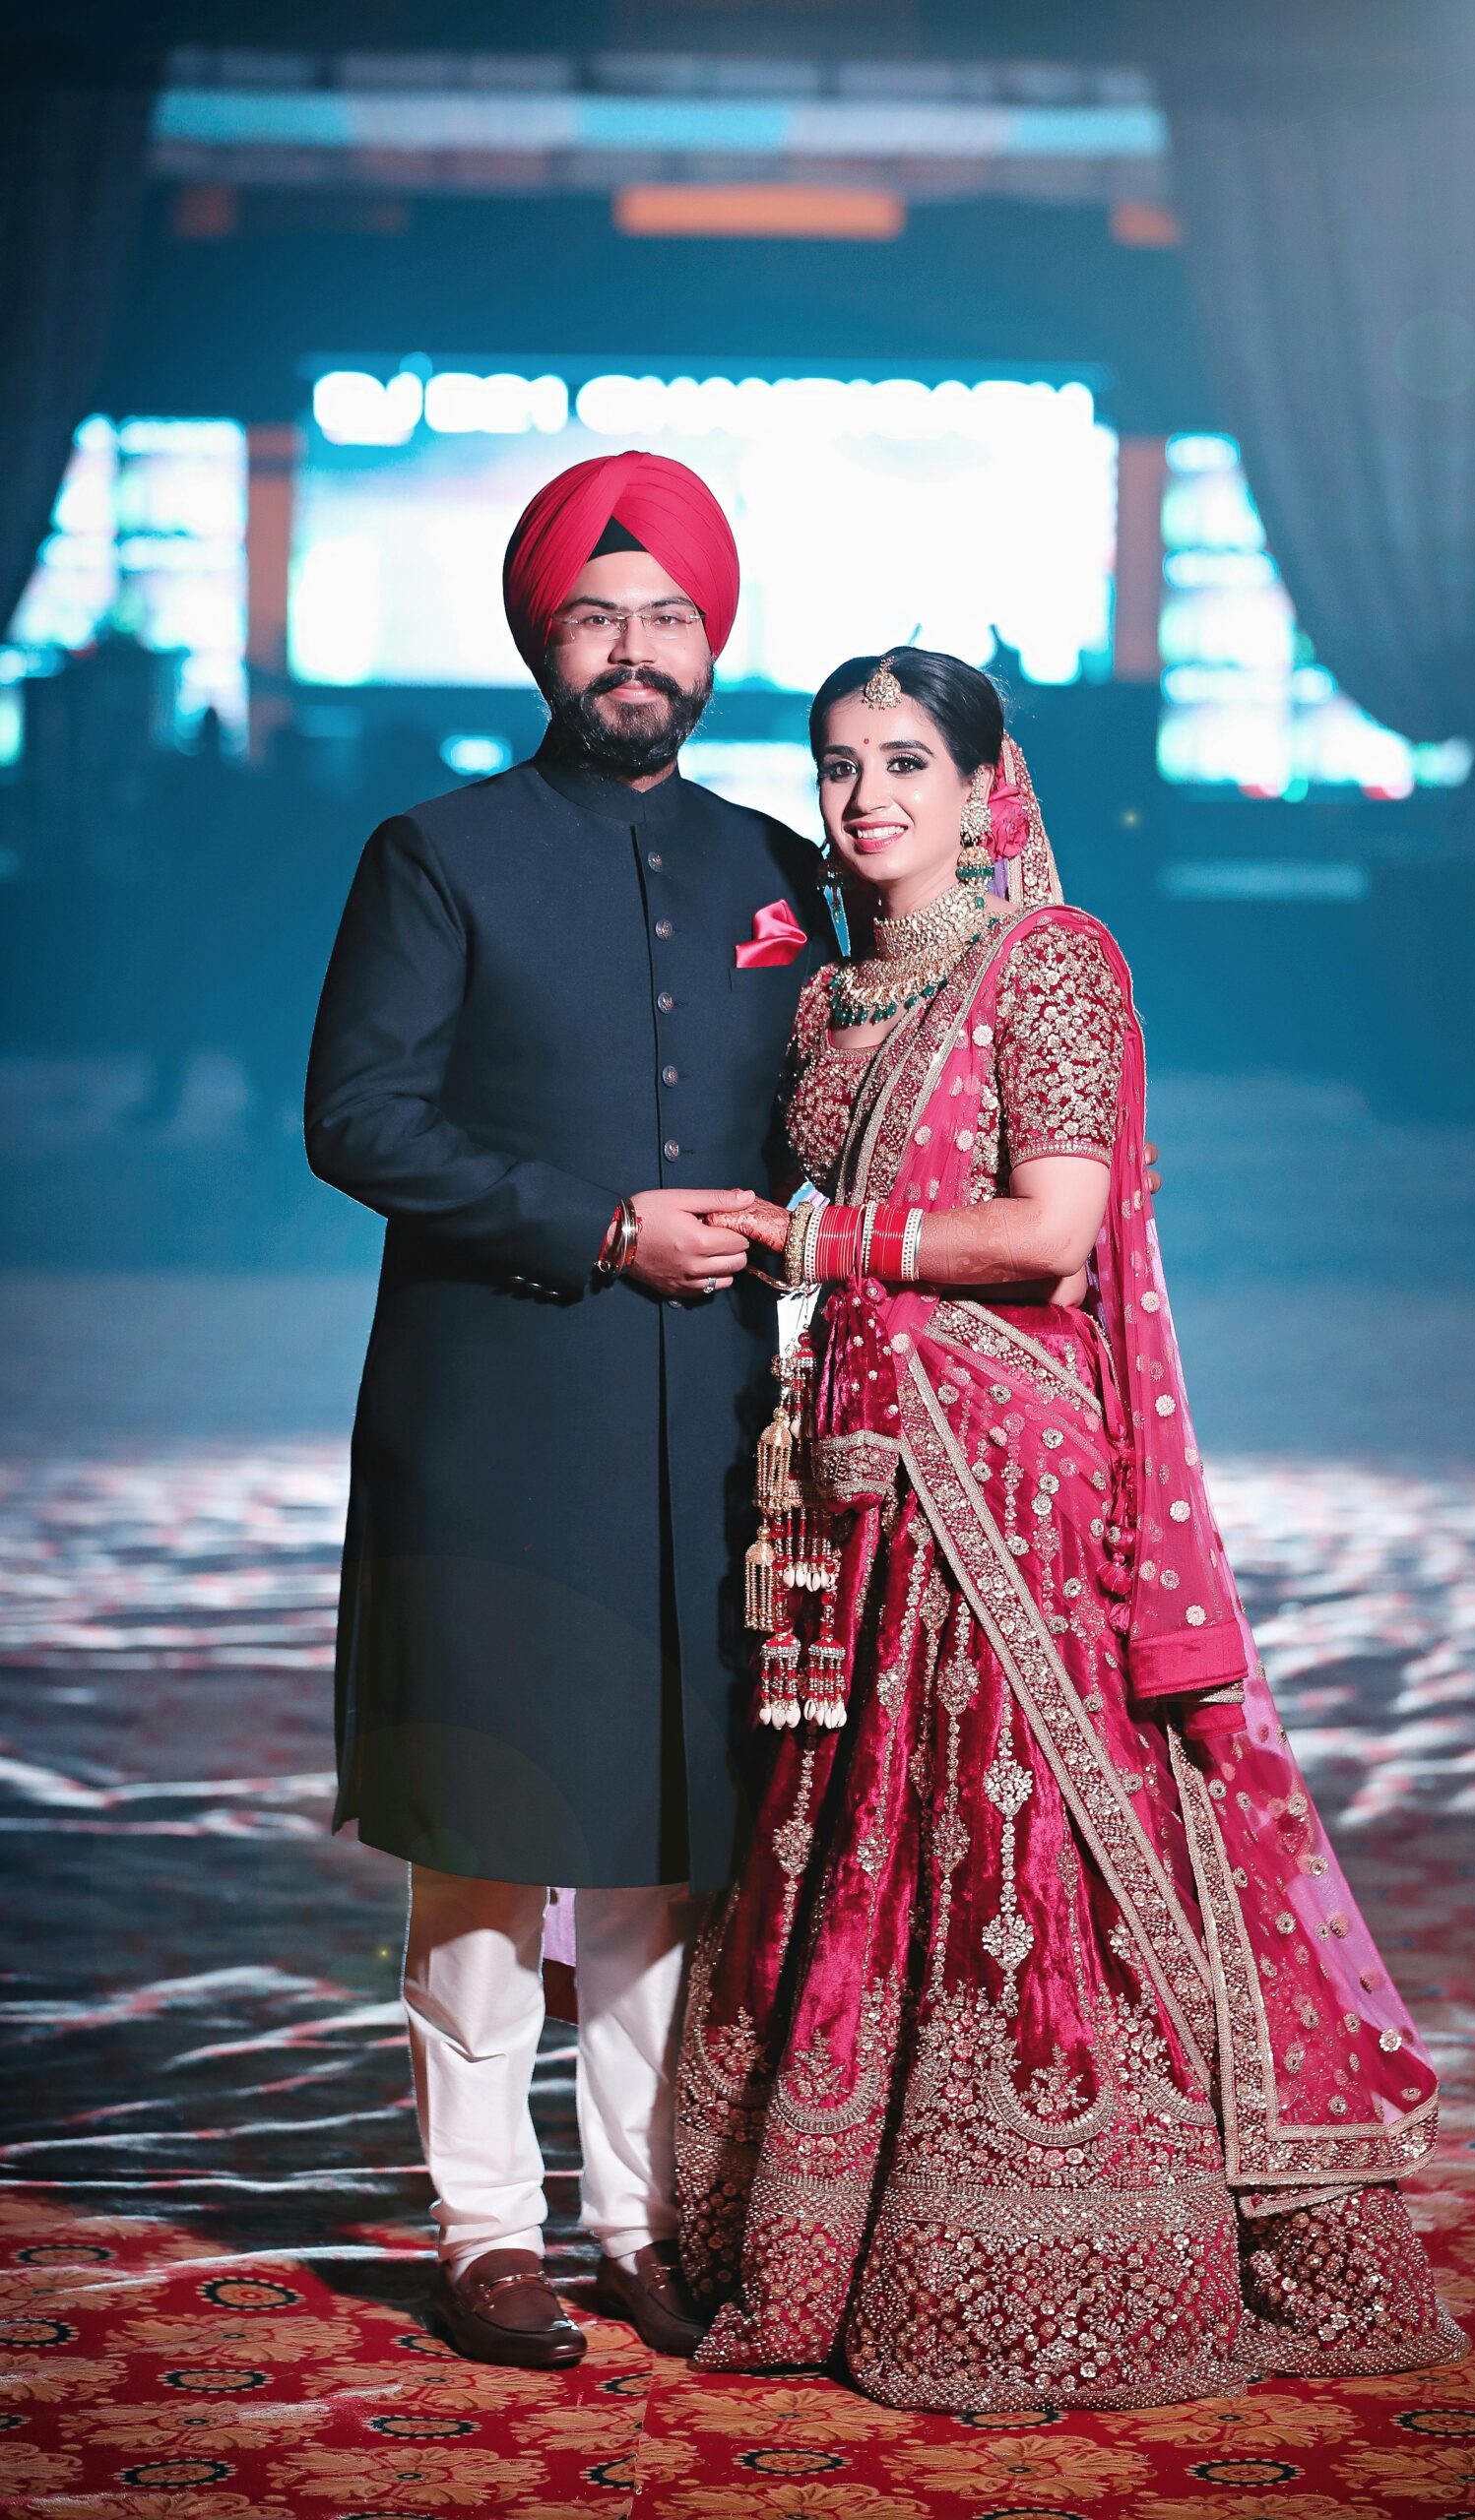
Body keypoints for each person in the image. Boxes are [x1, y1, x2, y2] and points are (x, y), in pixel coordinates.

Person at [674, 648, 1466, 2411]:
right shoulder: (825, 1004)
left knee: (1018, 1843)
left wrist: (823, 1246)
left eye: (904, 762)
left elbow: (1049, 1235)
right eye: (836, 764)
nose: (866, 796)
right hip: (856, 1477)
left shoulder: (1054, 968)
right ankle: (831, 2240)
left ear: (982, 788)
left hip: (1012, 1482)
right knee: (858, 1819)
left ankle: (1085, 2237)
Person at [304, 452, 825, 2367]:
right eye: (595, 616)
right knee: (488, 1815)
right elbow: (354, 1117)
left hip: (713, 1426)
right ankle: (483, 2229)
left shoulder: (781, 867)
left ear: (711, 642)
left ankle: (631, 2219)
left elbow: (836, 1107)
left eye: (668, 617)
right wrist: (599, 1223)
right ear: (541, 636)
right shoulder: (434, 852)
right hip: (496, 1400)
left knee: (668, 1830)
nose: (634, 650)